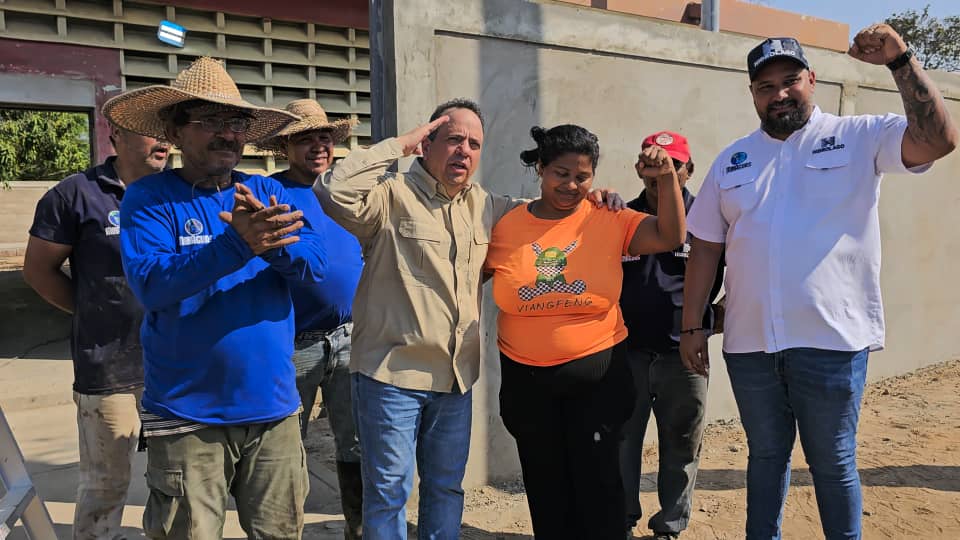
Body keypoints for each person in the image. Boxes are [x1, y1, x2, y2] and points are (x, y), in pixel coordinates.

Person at [680, 26, 957, 540]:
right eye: (766, 86)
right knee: (765, 456)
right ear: (752, 94)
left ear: (812, 79)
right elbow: (706, 248)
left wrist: (901, 61)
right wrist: (691, 325)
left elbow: (938, 140)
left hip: (832, 343)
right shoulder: (733, 160)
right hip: (749, 343)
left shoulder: (861, 136)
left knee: (832, 461)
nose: (779, 93)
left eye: (790, 80)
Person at [321, 99, 622, 539]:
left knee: (445, 488)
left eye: (474, 144)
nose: (464, 150)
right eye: (454, 139)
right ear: (427, 143)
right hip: (392, 375)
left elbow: (550, 210)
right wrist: (399, 145)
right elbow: (333, 189)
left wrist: (594, 198)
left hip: (455, 378)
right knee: (388, 493)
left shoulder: (487, 206)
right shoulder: (389, 196)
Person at [102, 56, 328, 539]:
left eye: (237, 123)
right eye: (210, 120)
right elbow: (152, 285)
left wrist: (272, 246)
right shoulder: (149, 198)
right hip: (187, 415)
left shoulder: (266, 191)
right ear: (174, 130)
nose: (228, 133)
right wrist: (237, 244)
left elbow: (316, 267)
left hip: (274, 411)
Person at [484, 124, 686, 539]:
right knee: (546, 486)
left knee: (601, 487)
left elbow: (670, 235)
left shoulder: (609, 216)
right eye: (560, 173)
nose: (571, 185)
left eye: (582, 176)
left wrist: (666, 179)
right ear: (540, 168)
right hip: (527, 382)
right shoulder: (505, 226)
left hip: (599, 378)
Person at [23, 123, 169, 540]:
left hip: (174, 364)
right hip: (109, 367)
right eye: (150, 131)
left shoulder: (176, 191)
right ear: (117, 136)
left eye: (166, 131)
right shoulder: (76, 195)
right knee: (106, 481)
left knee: (175, 476)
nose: (163, 140)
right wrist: (91, 310)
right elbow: (38, 270)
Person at [256, 98, 364, 540]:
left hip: (351, 337)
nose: (318, 146)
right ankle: (287, 530)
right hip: (294, 342)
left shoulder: (343, 192)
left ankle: (358, 529)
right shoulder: (269, 193)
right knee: (285, 447)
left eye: (324, 137)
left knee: (356, 442)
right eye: (305, 139)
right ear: (285, 147)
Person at [618, 131, 724, 540]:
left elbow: (743, 271)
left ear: (688, 170)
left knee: (682, 443)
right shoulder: (622, 217)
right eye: (651, 164)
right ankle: (621, 520)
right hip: (625, 353)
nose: (659, 172)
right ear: (638, 168)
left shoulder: (707, 219)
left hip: (683, 355)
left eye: (671, 165)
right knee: (622, 443)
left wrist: (713, 318)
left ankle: (670, 526)